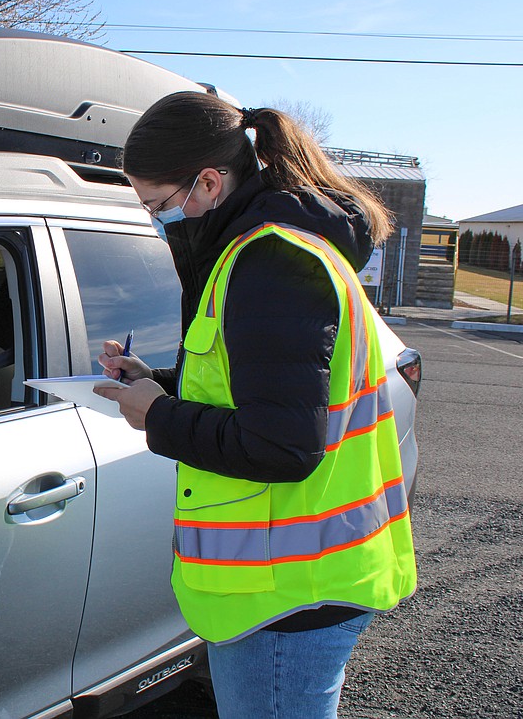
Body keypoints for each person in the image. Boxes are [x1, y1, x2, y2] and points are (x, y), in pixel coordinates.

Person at [94, 92, 417, 719]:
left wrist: (156, 416)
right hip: (294, 582)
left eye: (159, 205)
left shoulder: (268, 262)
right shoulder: (268, 252)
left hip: (286, 594)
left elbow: (282, 444)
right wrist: (155, 380)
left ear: (208, 182)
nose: (160, 220)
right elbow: (255, 384)